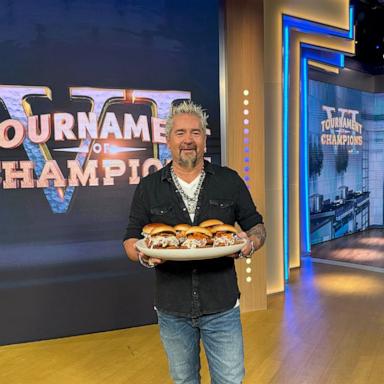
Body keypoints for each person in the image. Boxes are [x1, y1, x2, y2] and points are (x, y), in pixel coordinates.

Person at [123, 101, 266, 384]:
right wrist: (142, 255)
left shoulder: (229, 181)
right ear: (168, 139)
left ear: (204, 138)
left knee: (230, 380)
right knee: (184, 381)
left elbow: (257, 225)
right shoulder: (149, 187)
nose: (188, 139)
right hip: (172, 307)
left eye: (195, 132)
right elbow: (130, 238)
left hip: (222, 305)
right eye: (180, 133)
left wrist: (249, 243)